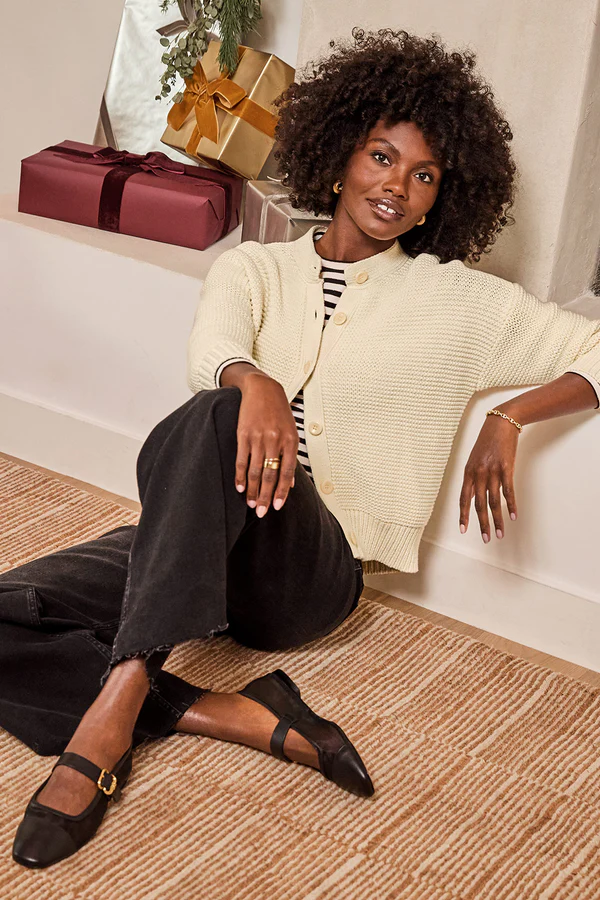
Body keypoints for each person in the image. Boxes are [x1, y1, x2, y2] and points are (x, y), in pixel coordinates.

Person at [5, 27, 600, 869]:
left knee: (217, 415)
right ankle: (233, 713)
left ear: (438, 201)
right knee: (14, 600)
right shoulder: (255, 269)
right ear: (339, 158)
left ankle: (116, 705)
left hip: (310, 572)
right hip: (196, 536)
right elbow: (210, 348)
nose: (397, 185)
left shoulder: (461, 304)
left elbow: (596, 346)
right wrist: (261, 383)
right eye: (382, 157)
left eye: (422, 175)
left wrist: (511, 418)